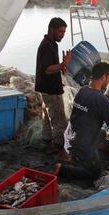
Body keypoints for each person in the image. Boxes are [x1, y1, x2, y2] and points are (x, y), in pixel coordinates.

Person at [52, 62, 109, 180]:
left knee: (102, 134)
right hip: (81, 147)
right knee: (95, 175)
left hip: (70, 139)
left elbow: (96, 111)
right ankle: (62, 169)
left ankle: (73, 157)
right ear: (104, 77)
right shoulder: (102, 100)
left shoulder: (83, 91)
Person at [35, 17, 71, 158]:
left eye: (64, 32)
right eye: (60, 31)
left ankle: (48, 145)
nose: (62, 34)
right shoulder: (46, 46)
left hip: (45, 88)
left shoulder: (51, 44)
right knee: (59, 119)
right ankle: (61, 150)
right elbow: (47, 69)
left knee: (47, 117)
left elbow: (51, 67)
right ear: (52, 29)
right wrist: (62, 64)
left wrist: (61, 67)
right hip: (50, 89)